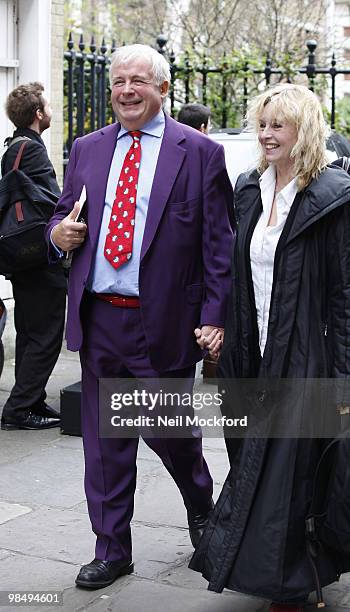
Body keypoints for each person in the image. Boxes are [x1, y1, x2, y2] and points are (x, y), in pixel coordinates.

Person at [46, 44, 233, 589]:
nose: (126, 91)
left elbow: (217, 246)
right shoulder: (86, 148)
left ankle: (202, 504)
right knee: (105, 446)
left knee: (171, 434)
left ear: (163, 89)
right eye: (119, 81)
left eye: (139, 82)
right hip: (102, 316)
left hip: (167, 322)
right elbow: (62, 216)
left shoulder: (198, 152)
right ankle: (112, 549)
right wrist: (58, 236)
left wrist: (215, 316)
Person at [190, 83, 350, 610]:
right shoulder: (249, 187)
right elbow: (235, 269)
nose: (265, 134)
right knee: (252, 460)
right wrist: (218, 326)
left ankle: (288, 581)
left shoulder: (331, 195)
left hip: (305, 355)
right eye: (262, 124)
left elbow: (345, 294)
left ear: (303, 129)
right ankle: (262, 565)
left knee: (290, 473)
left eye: (278, 125)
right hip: (249, 352)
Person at [1, 82, 66, 431]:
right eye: (49, 106)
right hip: (39, 256)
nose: (52, 111)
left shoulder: (12, 147)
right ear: (39, 114)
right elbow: (49, 200)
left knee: (28, 330)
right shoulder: (34, 149)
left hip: (19, 256)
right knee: (46, 333)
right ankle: (21, 408)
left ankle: (31, 397)